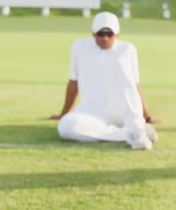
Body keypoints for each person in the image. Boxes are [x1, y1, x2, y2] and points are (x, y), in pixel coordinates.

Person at [50, 12, 161, 150]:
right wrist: (64, 114)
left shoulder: (127, 50)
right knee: (65, 127)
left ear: (117, 34)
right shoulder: (79, 47)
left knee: (124, 72)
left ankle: (136, 127)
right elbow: (74, 82)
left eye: (110, 34)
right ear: (93, 33)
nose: (105, 38)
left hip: (122, 113)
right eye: (100, 34)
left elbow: (134, 85)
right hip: (91, 113)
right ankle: (129, 134)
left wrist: (147, 116)